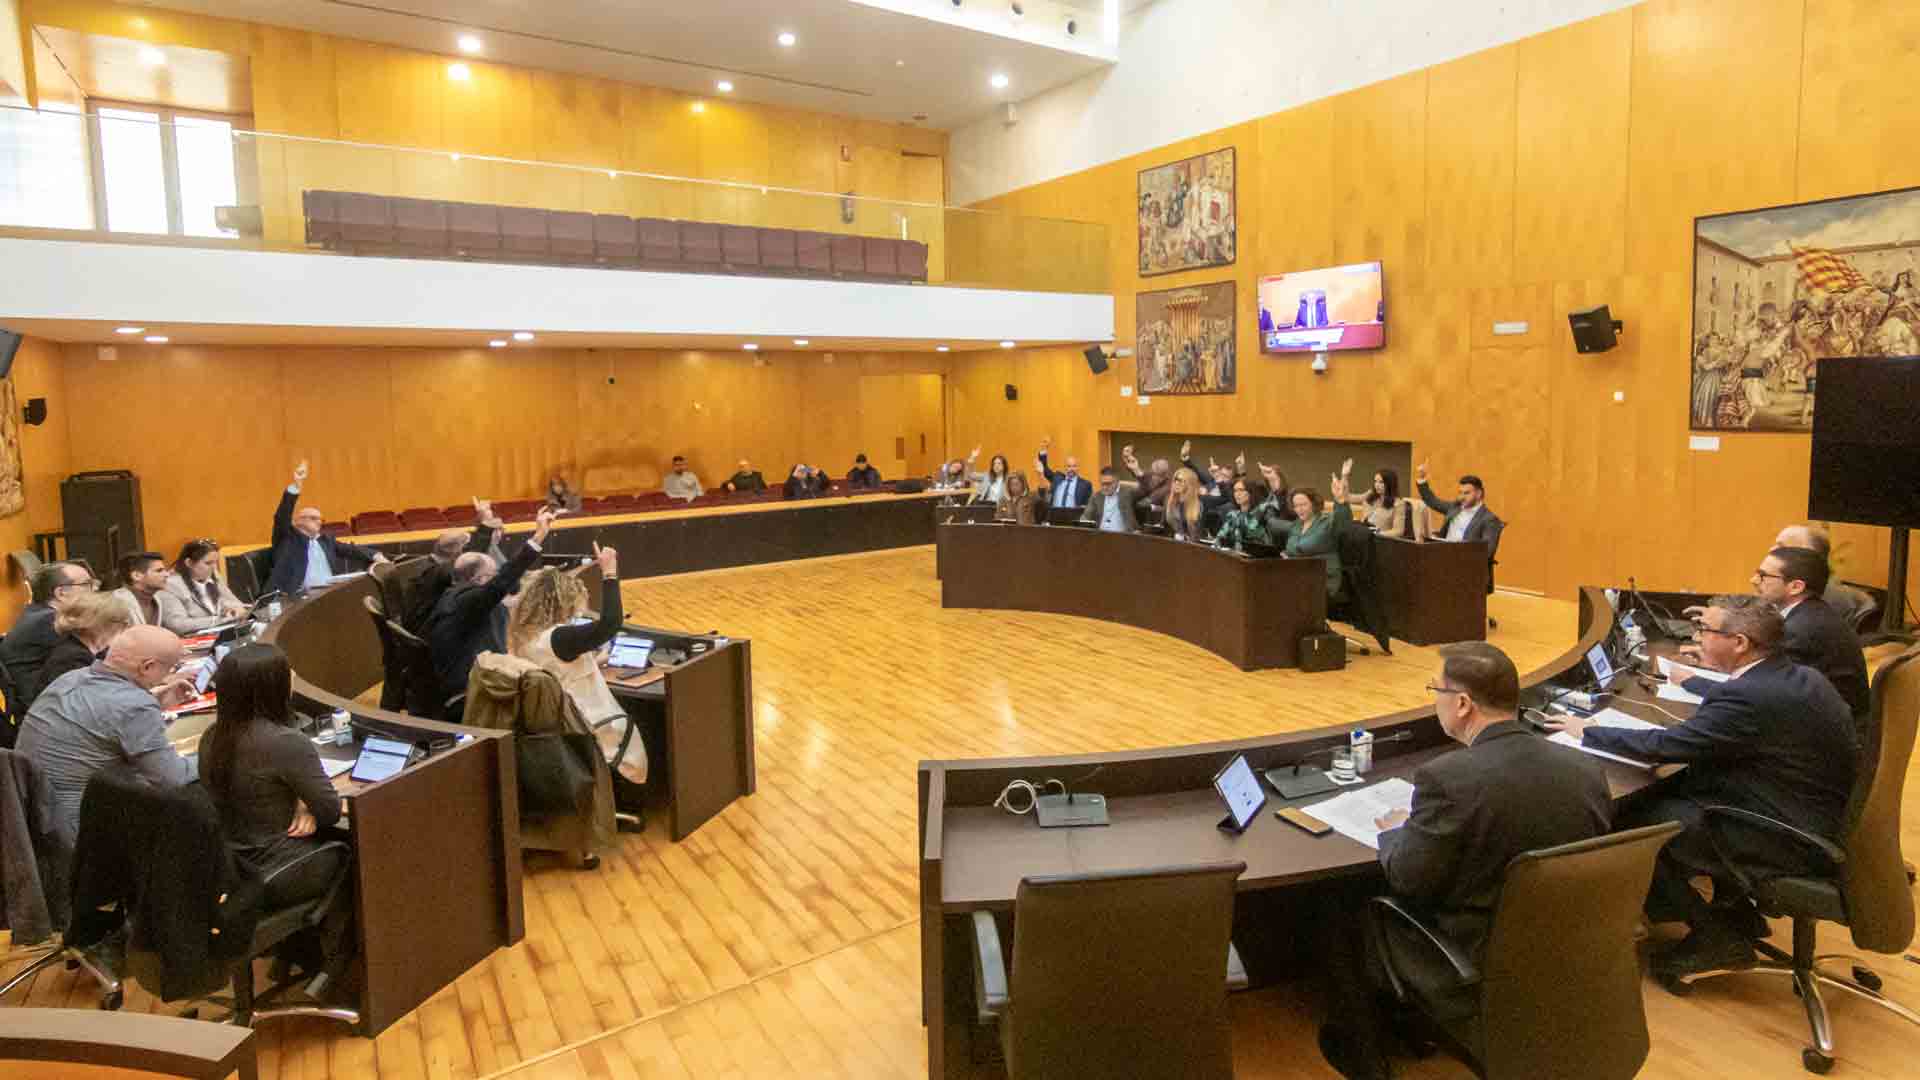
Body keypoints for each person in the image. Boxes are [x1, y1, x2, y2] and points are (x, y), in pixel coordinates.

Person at [1321, 643, 1611, 1078]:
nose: (1433, 698)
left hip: (1477, 951)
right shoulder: (1583, 767)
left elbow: (1407, 880)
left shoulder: (1448, 778)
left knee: (1339, 909)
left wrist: (1396, 828)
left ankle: (1362, 1056)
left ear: (1462, 704)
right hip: (1564, 939)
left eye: (1435, 689)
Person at [1546, 596, 1856, 977]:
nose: (1698, 638)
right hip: (1818, 816)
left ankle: (1716, 936)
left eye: (1706, 631)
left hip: (1785, 835)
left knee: (1635, 828)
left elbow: (1666, 747)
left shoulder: (1745, 697)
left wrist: (1590, 731)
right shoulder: (1799, 677)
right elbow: (1748, 704)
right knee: (1671, 793)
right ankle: (1738, 914)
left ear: (1739, 643)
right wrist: (1696, 681)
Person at [15, 624, 199, 846]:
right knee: (197, 803)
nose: (170, 674)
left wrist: (157, 701)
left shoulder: (70, 678)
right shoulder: (134, 707)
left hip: (32, 817)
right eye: (172, 667)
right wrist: (216, 754)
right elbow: (172, 778)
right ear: (148, 667)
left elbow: (102, 718)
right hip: (81, 827)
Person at [506, 543, 649, 814]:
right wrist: (609, 572)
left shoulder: (522, 635)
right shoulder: (561, 637)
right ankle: (628, 796)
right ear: (562, 603)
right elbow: (610, 623)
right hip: (588, 723)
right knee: (642, 719)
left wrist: (593, 661)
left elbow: (555, 670)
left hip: (556, 724)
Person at [196, 643, 342, 902]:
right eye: (288, 672)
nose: (294, 675)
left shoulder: (211, 735)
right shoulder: (285, 742)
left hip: (230, 865)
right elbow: (330, 812)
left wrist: (301, 802)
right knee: (356, 852)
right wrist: (306, 804)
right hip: (277, 865)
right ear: (273, 687)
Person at [427, 506, 556, 709]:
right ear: (481, 579)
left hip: (450, 674)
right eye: (492, 574)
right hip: (465, 687)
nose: (496, 577)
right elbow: (503, 581)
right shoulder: (470, 601)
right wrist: (539, 535)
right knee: (540, 689)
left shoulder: (456, 593)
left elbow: (500, 589)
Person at [265, 461, 387, 596]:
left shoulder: (326, 540)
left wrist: (376, 555)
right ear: (298, 521)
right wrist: (296, 486)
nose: (319, 522)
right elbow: (282, 516)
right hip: (295, 598)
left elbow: (352, 550)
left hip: (327, 595)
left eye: (320, 519)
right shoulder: (287, 537)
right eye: (313, 518)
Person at [2, 561, 99, 726]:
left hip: (46, 710)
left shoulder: (37, 614)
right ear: (61, 593)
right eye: (87, 584)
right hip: (45, 719)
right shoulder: (49, 621)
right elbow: (90, 661)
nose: (95, 590)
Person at [24, 591, 133, 711]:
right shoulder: (73, 657)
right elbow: (90, 704)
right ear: (101, 624)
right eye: (123, 623)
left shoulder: (91, 652)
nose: (126, 629)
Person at [402, 504, 502, 633]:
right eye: (466, 547)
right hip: (426, 631)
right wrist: (486, 524)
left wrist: (483, 522)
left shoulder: (429, 565)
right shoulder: (441, 573)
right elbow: (474, 556)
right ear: (458, 551)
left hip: (417, 625)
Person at [162, 540, 249, 635]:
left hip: (223, 633)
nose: (214, 567)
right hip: (192, 641)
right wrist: (219, 619)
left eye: (215, 562)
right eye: (208, 563)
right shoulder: (171, 585)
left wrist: (233, 608)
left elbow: (235, 603)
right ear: (189, 563)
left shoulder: (213, 575)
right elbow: (177, 625)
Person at [1415, 461, 1503, 547]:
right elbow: (1432, 501)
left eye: (1467, 493)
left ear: (1479, 493)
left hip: (1464, 560)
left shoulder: (1489, 519)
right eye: (1460, 493)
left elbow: (1486, 552)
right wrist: (1422, 479)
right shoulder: (1454, 508)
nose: (1462, 497)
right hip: (1442, 554)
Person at [1283, 487, 1343, 599]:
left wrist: (1340, 501)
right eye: (1296, 506)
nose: (1299, 509)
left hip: (1323, 578)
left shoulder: (1326, 521)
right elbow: (1291, 549)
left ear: (1313, 504)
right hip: (1300, 575)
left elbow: (1342, 521)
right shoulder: (1297, 524)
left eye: (1303, 504)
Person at [1336, 459, 1414, 538]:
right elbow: (1347, 498)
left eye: (1381, 482)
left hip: (1379, 540)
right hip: (1362, 534)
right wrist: (1345, 476)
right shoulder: (1370, 494)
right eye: (1375, 481)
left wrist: (1375, 534)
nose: (1377, 485)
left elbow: (1398, 531)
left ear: (1390, 483)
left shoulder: (1398, 504)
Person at [110, 552, 182, 629]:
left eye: (165, 570)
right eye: (159, 571)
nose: (167, 574)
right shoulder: (116, 603)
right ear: (136, 576)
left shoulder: (156, 599)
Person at [1212, 478, 1282, 552]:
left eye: (1241, 490)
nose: (1237, 494)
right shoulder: (1233, 515)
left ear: (1251, 492)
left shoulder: (1261, 511)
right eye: (1235, 491)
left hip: (1258, 555)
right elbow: (1219, 537)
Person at [1078, 467, 1140, 533]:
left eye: (1108, 484)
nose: (1104, 487)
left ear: (1117, 482)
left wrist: (1136, 470)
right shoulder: (1096, 496)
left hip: (1124, 537)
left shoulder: (1127, 493)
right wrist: (1083, 521)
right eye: (1102, 484)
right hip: (1101, 537)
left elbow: (1146, 488)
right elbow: (1086, 516)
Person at [1034, 438, 1091, 509]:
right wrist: (1043, 449)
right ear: (1065, 467)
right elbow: (1045, 470)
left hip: (1073, 517)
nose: (1071, 469)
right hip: (1055, 516)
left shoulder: (1085, 484)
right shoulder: (1057, 478)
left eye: (1074, 466)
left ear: (1078, 468)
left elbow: (1089, 505)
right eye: (1069, 466)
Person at [1118, 444, 1173, 509]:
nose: (1153, 477)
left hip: (1155, 512)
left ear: (1164, 476)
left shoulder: (1167, 487)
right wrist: (1135, 468)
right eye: (1153, 472)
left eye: (1157, 475)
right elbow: (1143, 475)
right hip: (1145, 504)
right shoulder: (1152, 474)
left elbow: (1145, 502)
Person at [1162, 467, 1207, 542]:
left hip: (1192, 546)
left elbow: (1196, 535)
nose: (1176, 483)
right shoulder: (1168, 500)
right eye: (1175, 480)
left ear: (1189, 484)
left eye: (1180, 481)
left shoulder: (1198, 505)